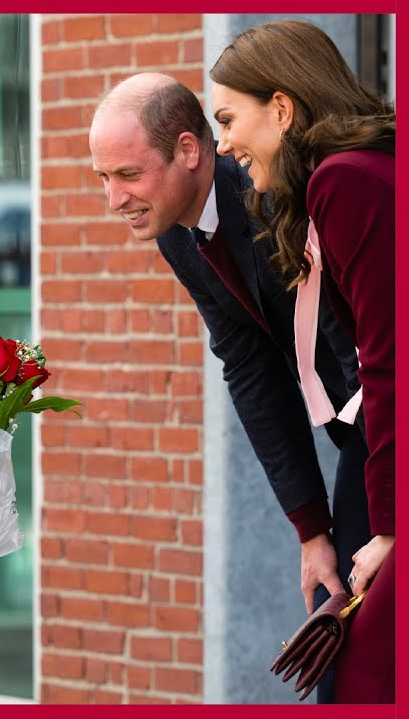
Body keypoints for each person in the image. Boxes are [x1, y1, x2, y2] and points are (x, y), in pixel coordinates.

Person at [89, 73, 370, 703]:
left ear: (189, 150)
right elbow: (247, 362)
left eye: (128, 174)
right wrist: (311, 529)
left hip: (384, 419)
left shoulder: (269, 192)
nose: (113, 199)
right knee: (346, 652)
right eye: (102, 178)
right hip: (360, 432)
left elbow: (360, 336)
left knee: (360, 657)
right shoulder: (175, 233)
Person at [210, 20, 394, 703]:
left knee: (362, 685)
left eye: (229, 118)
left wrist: (389, 530)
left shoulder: (344, 181)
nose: (225, 143)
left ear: (282, 109)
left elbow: (389, 362)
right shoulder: (349, 175)